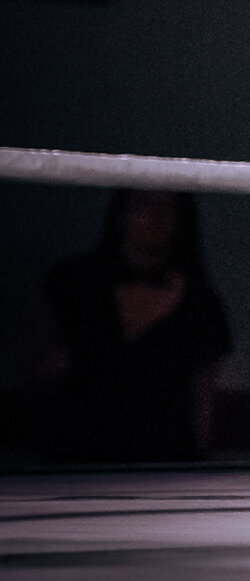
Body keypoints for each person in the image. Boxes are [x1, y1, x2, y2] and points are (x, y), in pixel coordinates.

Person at [43, 190, 231, 461]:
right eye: (144, 203)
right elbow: (44, 362)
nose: (155, 216)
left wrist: (200, 457)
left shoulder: (200, 302)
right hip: (77, 449)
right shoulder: (72, 282)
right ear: (121, 212)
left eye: (168, 208)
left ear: (181, 220)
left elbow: (204, 391)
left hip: (165, 454)